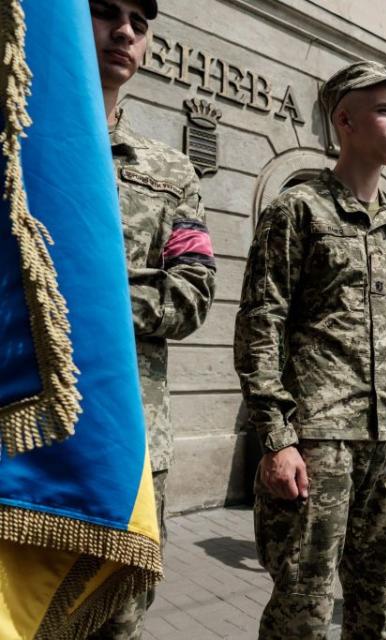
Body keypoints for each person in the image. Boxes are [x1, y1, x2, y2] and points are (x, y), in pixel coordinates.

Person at [234, 60, 386, 639]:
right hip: (319, 441)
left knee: (376, 607)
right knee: (303, 607)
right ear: (343, 120)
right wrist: (276, 439)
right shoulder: (296, 211)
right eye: (385, 111)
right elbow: (260, 324)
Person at [88, 1, 217, 637]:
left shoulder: (169, 171)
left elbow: (193, 292)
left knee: (120, 619)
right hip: (21, 430)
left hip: (132, 433)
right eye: (105, 11)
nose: (126, 31)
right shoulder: (15, 143)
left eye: (141, 21)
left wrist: (91, 300)